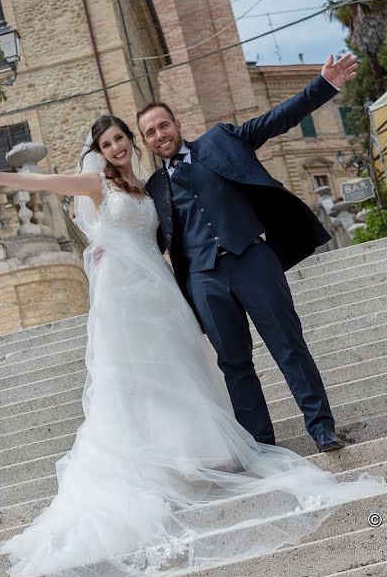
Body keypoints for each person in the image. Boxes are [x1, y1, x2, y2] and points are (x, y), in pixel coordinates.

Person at [0, 97, 387, 577]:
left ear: (168, 128)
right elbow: (47, 185)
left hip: (214, 273)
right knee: (222, 367)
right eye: (115, 141)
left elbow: (267, 126)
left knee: (271, 350)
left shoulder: (173, 170)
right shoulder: (119, 184)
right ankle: (248, 446)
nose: (127, 144)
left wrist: (326, 86)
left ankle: (321, 428)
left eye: (131, 135)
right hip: (159, 290)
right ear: (106, 150)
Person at [137, 53, 359, 452]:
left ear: (177, 125)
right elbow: (147, 238)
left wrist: (323, 85)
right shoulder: (154, 187)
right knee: (234, 365)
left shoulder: (220, 141)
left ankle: (322, 428)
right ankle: (263, 449)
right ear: (146, 142)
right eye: (150, 132)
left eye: (163, 125)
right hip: (204, 279)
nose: (159, 135)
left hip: (252, 259)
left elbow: (274, 121)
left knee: (288, 346)